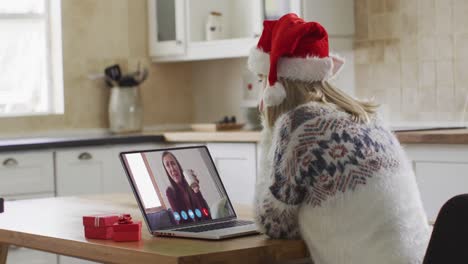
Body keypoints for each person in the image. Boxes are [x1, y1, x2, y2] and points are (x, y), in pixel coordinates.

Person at [249, 14, 430, 263]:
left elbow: (273, 224)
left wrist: (269, 136)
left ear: (276, 89)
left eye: (261, 81)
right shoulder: (367, 117)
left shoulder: (298, 126)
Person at [162, 152, 211, 223]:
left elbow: (207, 215)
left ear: (178, 165)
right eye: (167, 165)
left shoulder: (189, 182)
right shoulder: (170, 192)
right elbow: (181, 221)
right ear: (166, 170)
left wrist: (197, 192)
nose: (172, 169)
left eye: (173, 163)